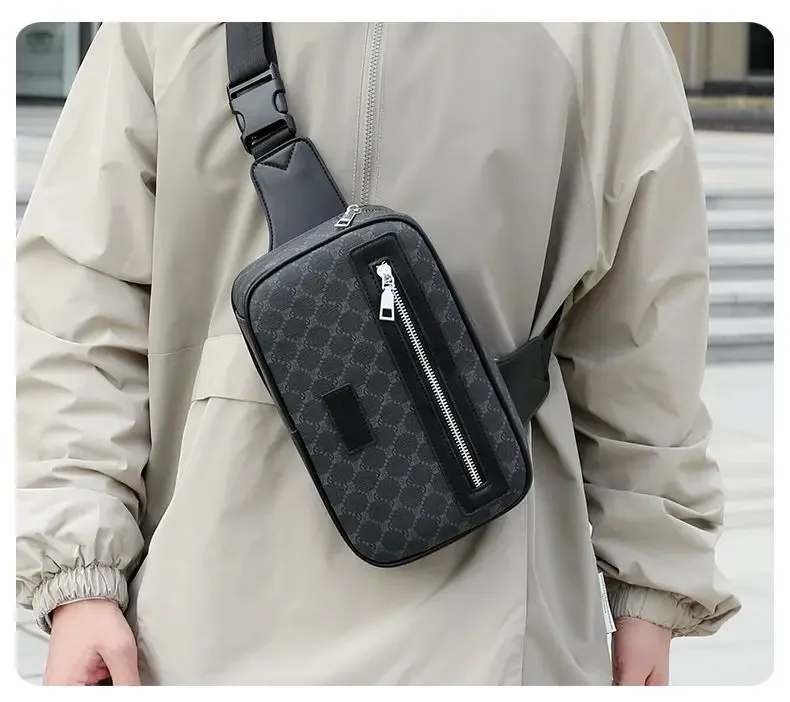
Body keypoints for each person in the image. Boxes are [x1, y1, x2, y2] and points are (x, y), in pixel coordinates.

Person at [16, 22, 740, 686]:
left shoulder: (600, 32)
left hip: (482, 626)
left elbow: (641, 332)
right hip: (208, 618)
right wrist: (78, 572)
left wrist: (651, 587)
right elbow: (80, 302)